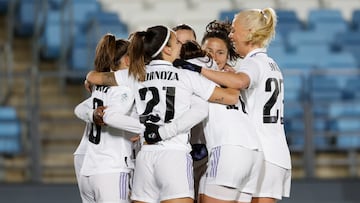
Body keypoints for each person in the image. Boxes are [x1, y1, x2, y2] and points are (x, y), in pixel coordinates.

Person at [174, 8, 292, 203]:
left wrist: (199, 69)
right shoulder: (271, 64)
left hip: (256, 149)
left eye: (234, 30)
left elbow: (239, 83)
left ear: (249, 32)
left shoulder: (251, 64)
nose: (231, 35)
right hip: (272, 151)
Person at [125, 25, 239, 203]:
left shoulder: (135, 74)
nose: (182, 45)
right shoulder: (185, 75)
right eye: (177, 41)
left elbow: (126, 108)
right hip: (174, 156)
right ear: (168, 49)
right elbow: (228, 99)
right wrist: (230, 75)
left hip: (144, 156)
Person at [180, 40, 263, 203]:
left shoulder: (192, 68)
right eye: (209, 51)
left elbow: (230, 98)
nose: (213, 57)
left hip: (228, 149)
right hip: (253, 151)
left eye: (220, 52)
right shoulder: (230, 76)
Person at [74, 34, 143, 203]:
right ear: (127, 60)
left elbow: (80, 108)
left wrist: (92, 114)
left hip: (88, 168)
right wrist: (146, 128)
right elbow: (112, 117)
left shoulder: (100, 86)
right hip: (111, 167)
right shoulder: (124, 88)